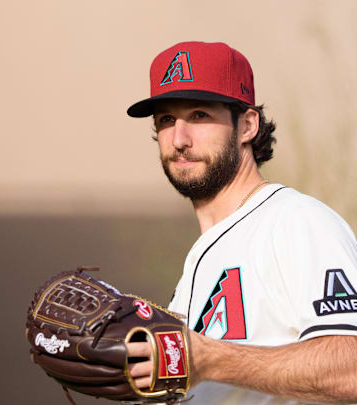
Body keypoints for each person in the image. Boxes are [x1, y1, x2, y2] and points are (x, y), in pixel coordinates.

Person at [124, 41, 357, 404]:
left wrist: (210, 359)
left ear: (247, 125)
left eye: (199, 115)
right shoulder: (199, 265)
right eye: (167, 120)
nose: (179, 139)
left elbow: (351, 367)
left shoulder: (296, 222)